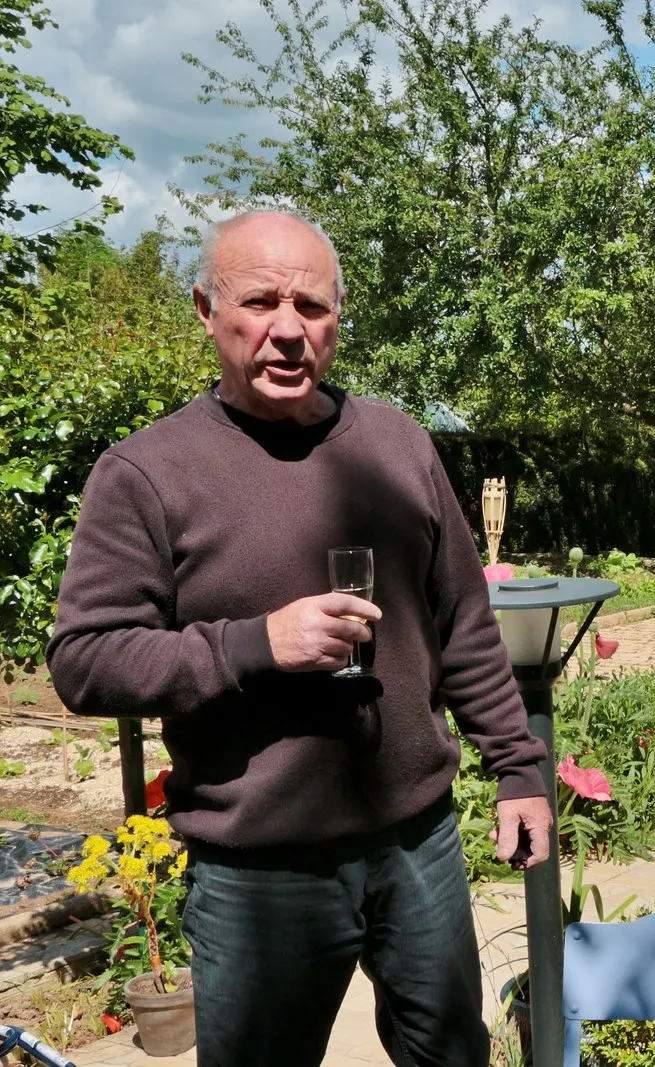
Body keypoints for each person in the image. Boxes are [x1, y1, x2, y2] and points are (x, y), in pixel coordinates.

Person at [47, 210, 552, 1067]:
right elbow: (84, 659)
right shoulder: (146, 473)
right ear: (207, 310)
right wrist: (253, 645)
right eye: (260, 302)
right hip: (258, 872)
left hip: (417, 841)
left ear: (337, 318)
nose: (288, 329)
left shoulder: (397, 444)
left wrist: (518, 767)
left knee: (453, 1054)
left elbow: (463, 621)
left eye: (311, 306)